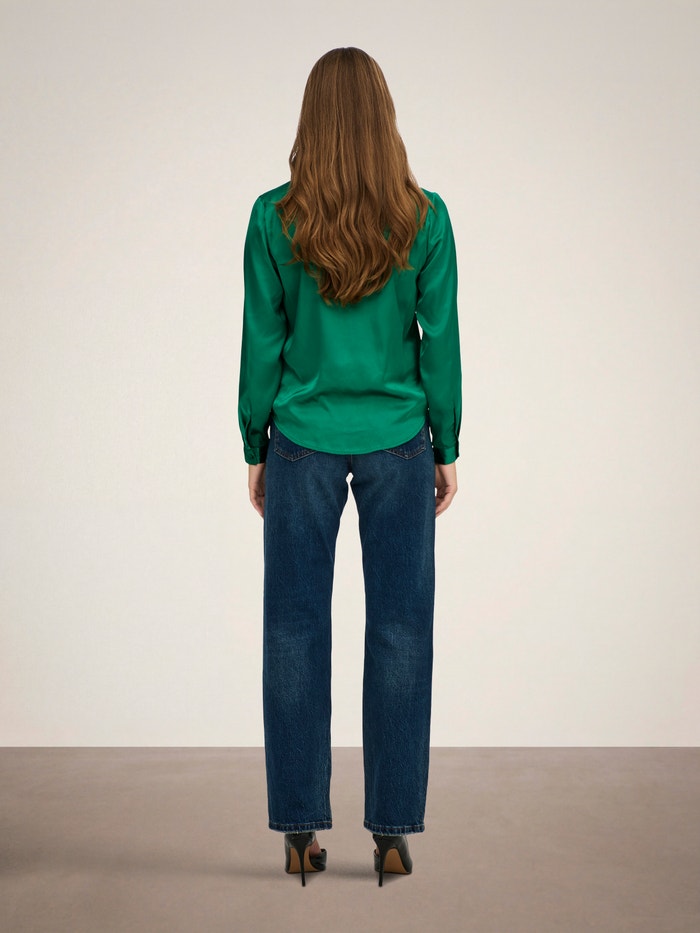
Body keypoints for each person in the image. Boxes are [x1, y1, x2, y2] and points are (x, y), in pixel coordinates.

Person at [237, 46, 462, 887]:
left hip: (301, 437)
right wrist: (447, 443)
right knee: (402, 628)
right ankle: (392, 835)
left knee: (293, 630)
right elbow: (440, 341)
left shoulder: (274, 218)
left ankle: (299, 832)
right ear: (382, 118)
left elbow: (263, 340)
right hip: (400, 438)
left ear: (313, 119)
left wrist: (255, 444)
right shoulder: (424, 218)